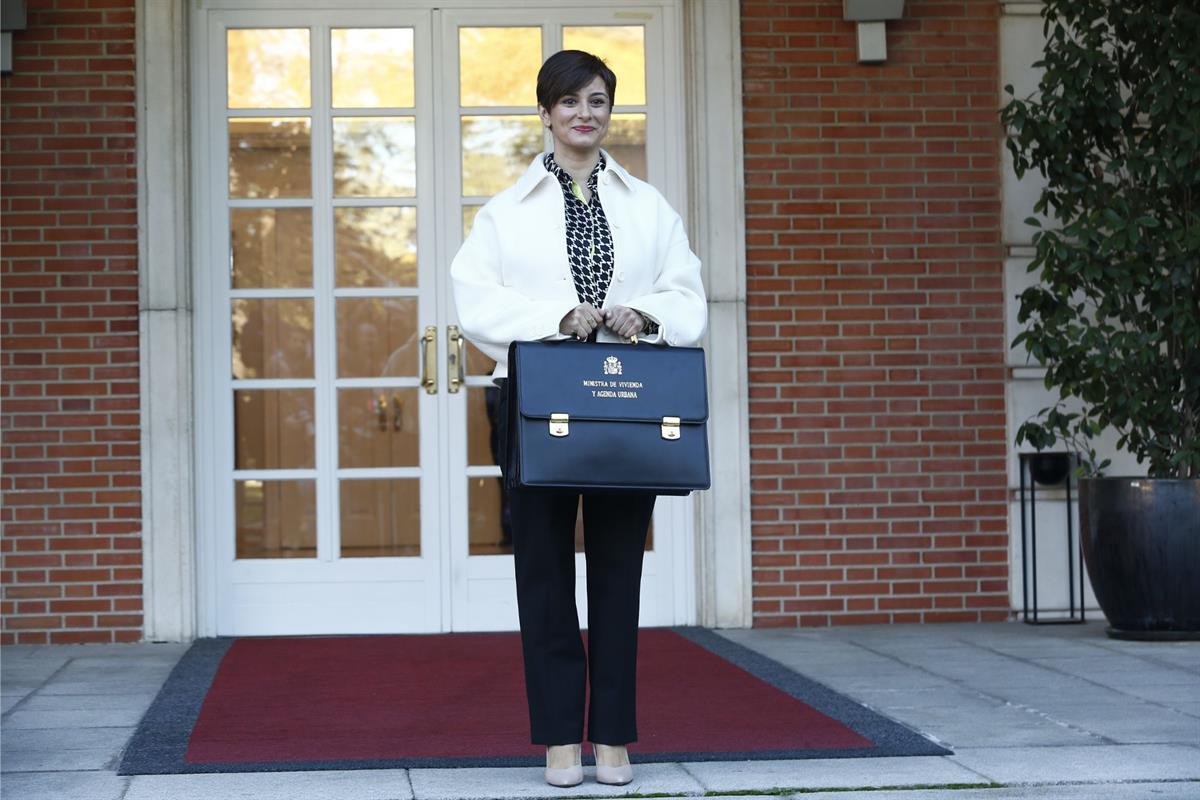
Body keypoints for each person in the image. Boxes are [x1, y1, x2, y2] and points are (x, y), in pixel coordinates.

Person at [450, 49, 706, 788]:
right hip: (535, 404)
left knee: (621, 573)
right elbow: (476, 299)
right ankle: (562, 737)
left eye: (597, 100)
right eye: (569, 102)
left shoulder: (649, 205)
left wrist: (646, 313)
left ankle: (616, 738)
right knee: (543, 573)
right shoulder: (505, 211)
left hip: (626, 407)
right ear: (546, 113)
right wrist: (555, 316)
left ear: (609, 111)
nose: (584, 113)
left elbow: (686, 292)